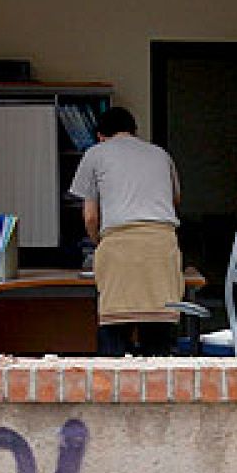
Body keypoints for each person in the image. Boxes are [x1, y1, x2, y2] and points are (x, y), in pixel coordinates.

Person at [68, 107, 183, 357]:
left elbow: (90, 216)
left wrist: (100, 243)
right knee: (158, 331)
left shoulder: (95, 154)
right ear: (134, 132)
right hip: (161, 246)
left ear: (100, 136)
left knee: (115, 331)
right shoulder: (160, 154)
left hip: (119, 247)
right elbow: (175, 200)